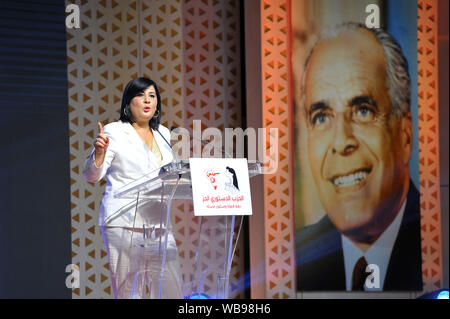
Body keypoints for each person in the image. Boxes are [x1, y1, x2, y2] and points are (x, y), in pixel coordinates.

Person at [296, 23, 422, 291]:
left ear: (405, 134)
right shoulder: (291, 261)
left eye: (363, 110)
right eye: (321, 117)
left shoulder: (437, 245)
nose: (341, 141)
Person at [83, 77, 182, 298]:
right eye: (140, 95)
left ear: (157, 104)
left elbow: (168, 174)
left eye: (152, 96)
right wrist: (99, 154)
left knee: (171, 292)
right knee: (130, 293)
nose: (147, 100)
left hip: (159, 224)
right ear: (128, 103)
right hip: (123, 223)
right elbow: (92, 176)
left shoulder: (164, 134)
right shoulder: (114, 132)